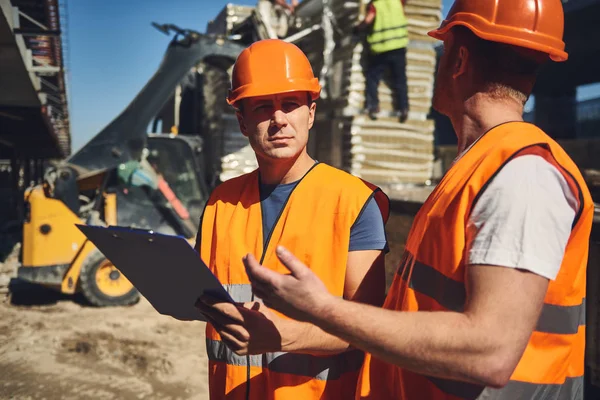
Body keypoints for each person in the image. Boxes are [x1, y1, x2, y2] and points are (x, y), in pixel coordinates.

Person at [243, 1, 593, 399]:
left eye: (442, 51)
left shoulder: (523, 175)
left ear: (458, 60)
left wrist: (322, 309)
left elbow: (490, 352)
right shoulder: (483, 163)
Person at [194, 39, 390, 399]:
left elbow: (371, 327)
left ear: (311, 114)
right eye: (263, 107)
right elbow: (198, 296)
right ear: (241, 121)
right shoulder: (220, 203)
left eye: (290, 105)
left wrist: (285, 336)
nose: (279, 119)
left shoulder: (354, 202)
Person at [355, 0, 409, 122]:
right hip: (399, 46)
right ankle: (404, 108)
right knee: (400, 79)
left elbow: (368, 20)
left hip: (381, 49)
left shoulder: (376, 5)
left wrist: (358, 29)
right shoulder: (397, 2)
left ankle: (373, 106)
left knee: (372, 78)